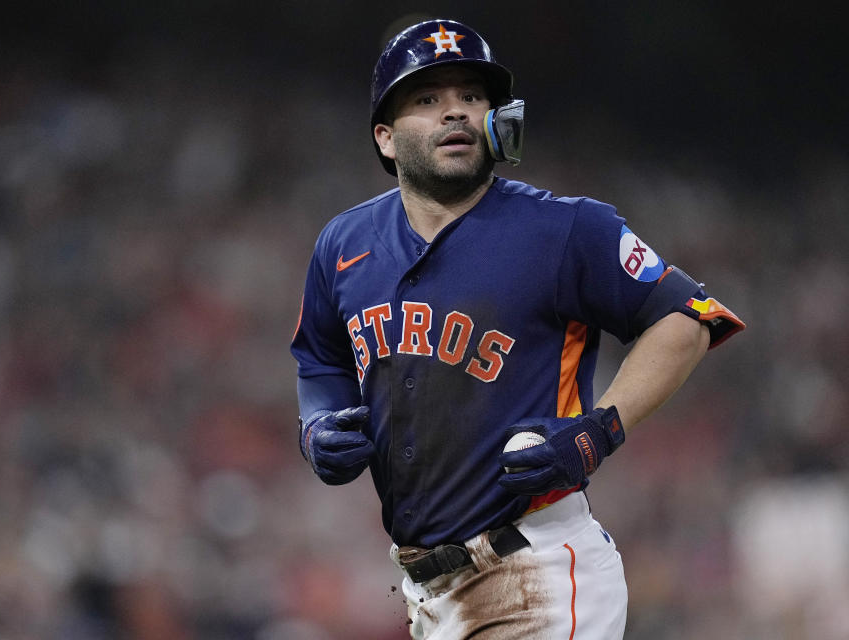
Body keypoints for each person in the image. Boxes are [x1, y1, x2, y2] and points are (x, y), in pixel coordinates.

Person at [290, 18, 745, 639]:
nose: (455, 113)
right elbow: (320, 357)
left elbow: (687, 319)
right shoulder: (343, 244)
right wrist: (318, 422)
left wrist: (598, 430)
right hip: (430, 595)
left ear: (497, 119)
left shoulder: (564, 229)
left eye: (471, 98)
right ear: (386, 137)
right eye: (428, 100)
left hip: (539, 570)